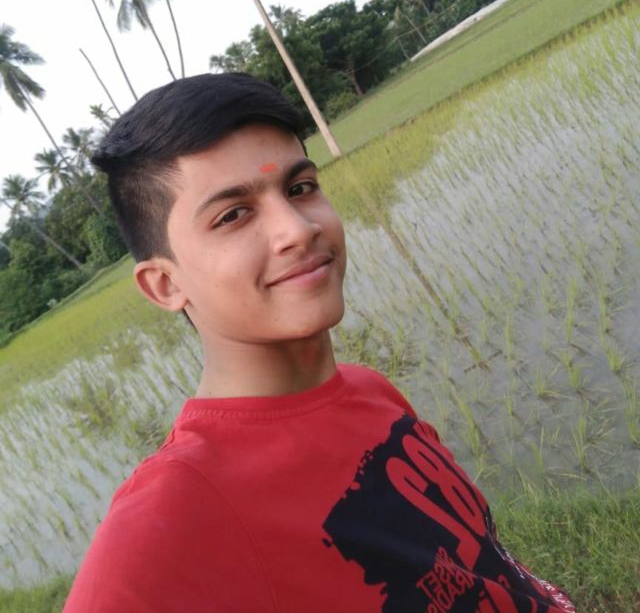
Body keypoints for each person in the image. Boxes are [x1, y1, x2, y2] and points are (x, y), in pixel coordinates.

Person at [63, 73, 575, 613]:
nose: (298, 229)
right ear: (165, 285)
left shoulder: (369, 390)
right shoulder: (181, 501)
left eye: (300, 188)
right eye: (233, 215)